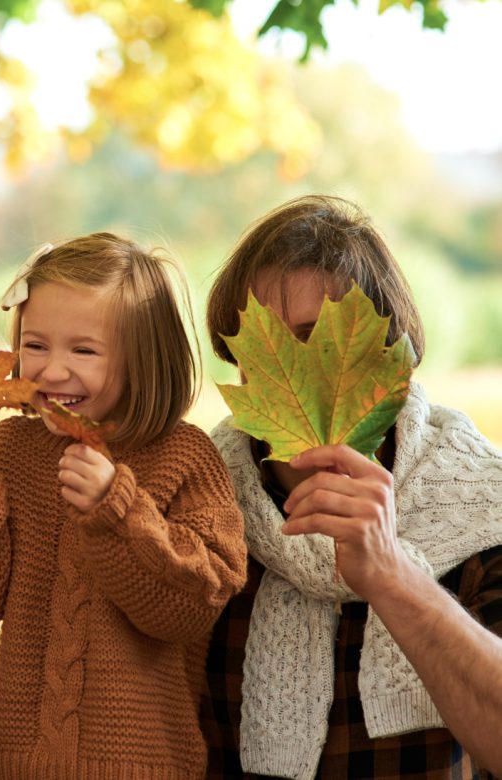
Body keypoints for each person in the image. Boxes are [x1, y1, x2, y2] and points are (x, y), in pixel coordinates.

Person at [0, 233, 247, 777]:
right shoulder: (16, 450)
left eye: (83, 350)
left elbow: (196, 603)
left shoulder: (184, 456)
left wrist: (118, 508)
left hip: (141, 762)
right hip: (16, 759)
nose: (49, 370)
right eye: (36, 345)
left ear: (145, 358)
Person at [201, 194, 502, 778]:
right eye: (266, 343)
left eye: (319, 339)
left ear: (395, 358)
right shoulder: (195, 503)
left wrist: (392, 574)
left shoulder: (481, 503)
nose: (294, 369)